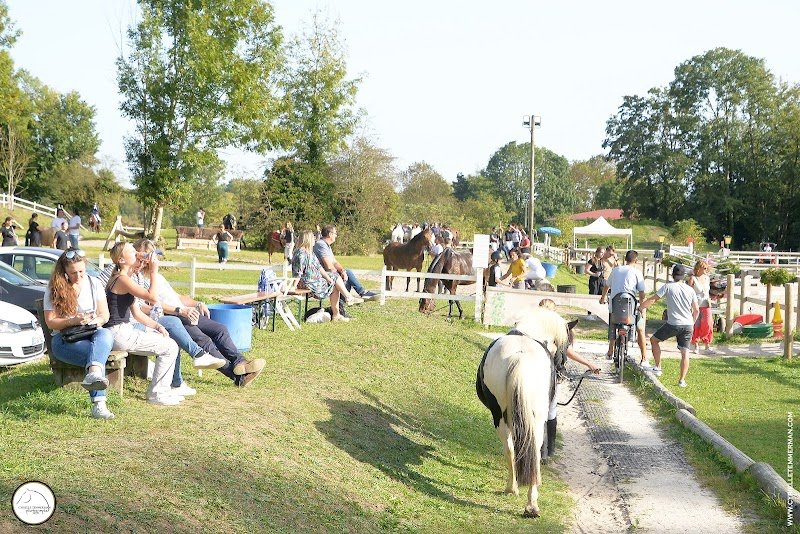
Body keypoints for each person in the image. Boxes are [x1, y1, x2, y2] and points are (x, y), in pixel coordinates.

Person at [130, 239, 266, 388]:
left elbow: (177, 297)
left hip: (185, 311)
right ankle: (238, 377)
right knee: (204, 341)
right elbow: (151, 304)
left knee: (220, 330)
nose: (149, 263)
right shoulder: (139, 279)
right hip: (172, 317)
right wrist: (180, 311)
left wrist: (197, 303)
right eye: (146, 259)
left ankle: (240, 361)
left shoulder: (158, 277)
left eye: (151, 258)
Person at [105, 241, 182, 406]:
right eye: (131, 252)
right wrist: (154, 272)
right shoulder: (122, 279)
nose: (136, 253)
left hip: (121, 331)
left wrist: (157, 326)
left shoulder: (123, 278)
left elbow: (137, 313)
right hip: (119, 333)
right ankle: (157, 394)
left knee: (169, 344)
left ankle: (163, 391)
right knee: (170, 347)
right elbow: (153, 299)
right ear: (122, 260)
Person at [43, 248, 116, 419]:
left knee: (105, 334)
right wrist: (73, 320)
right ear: (64, 271)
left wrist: (94, 320)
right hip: (64, 340)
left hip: (90, 333)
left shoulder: (94, 283)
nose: (78, 276)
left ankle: (95, 382)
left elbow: (104, 315)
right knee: (96, 358)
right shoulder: (54, 288)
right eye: (73, 272)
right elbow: (50, 322)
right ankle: (99, 404)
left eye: (82, 271)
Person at [538, 299, 600, 460]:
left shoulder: (532, 325)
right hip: (552, 374)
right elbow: (568, 352)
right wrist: (589, 363)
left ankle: (541, 448)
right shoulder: (558, 328)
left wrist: (589, 363)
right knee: (551, 409)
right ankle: (549, 450)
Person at [640, 264, 700, 388]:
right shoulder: (690, 289)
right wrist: (692, 323)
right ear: (684, 277)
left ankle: (658, 367)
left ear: (672, 275)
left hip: (673, 323)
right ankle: (682, 380)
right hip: (688, 324)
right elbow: (696, 310)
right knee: (685, 352)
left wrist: (641, 307)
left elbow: (653, 299)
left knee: (654, 340)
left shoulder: (668, 287)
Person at [294, 230, 360, 322]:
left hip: (315, 281)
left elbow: (319, 267)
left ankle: (337, 315)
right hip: (308, 283)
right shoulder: (301, 254)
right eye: (313, 238)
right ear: (308, 240)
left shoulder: (310, 253)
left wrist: (328, 278)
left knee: (334, 283)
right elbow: (298, 273)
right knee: (335, 278)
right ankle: (348, 298)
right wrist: (293, 287)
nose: (314, 240)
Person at [600, 250, 648, 364]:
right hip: (630, 306)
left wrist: (603, 298)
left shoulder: (616, 270)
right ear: (636, 260)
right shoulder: (637, 273)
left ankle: (610, 351)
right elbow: (642, 293)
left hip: (615, 305)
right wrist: (642, 306)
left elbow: (606, 286)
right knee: (641, 328)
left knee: (612, 323)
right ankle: (644, 358)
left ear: (625, 259)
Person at [314, 225, 377, 302]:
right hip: (322, 275)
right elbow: (328, 266)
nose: (336, 236)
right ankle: (360, 294)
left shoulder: (326, 245)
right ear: (330, 234)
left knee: (347, 273)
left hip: (327, 273)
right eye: (335, 233)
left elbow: (334, 262)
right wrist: (339, 274)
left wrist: (342, 271)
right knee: (346, 276)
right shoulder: (321, 244)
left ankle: (345, 302)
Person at [688, 260, 715, 355]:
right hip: (696, 304)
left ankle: (707, 344)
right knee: (696, 324)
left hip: (706, 303)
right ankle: (695, 344)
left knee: (708, 324)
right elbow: (689, 292)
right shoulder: (693, 278)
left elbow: (709, 291)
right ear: (698, 268)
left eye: (706, 268)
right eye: (704, 268)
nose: (706, 270)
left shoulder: (707, 278)